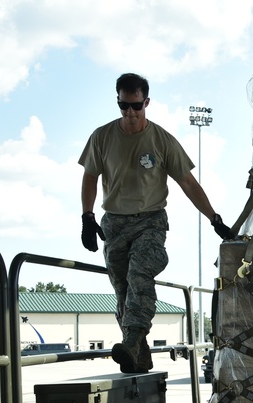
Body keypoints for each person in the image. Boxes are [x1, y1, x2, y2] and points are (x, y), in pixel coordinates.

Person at [78, 72, 234, 373]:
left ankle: (133, 339)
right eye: (124, 106)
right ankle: (140, 354)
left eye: (136, 106)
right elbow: (89, 177)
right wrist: (87, 217)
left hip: (150, 221)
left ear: (146, 102)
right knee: (124, 292)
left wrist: (214, 218)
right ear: (118, 102)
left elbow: (187, 183)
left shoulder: (161, 140)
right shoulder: (102, 137)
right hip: (114, 225)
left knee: (140, 276)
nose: (130, 113)